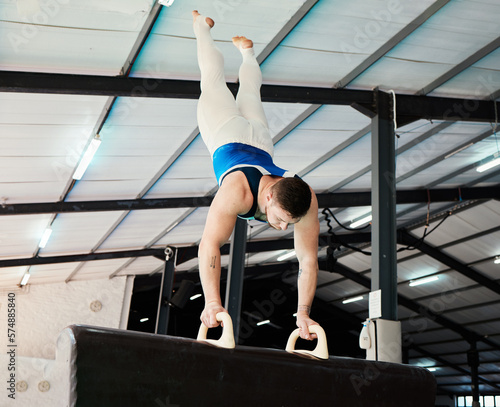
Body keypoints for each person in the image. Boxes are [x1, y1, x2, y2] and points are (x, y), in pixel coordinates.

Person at [193, 10, 320, 341]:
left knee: (250, 91)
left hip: (260, 139)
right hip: (225, 132)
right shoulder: (237, 192)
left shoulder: (303, 198)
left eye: (286, 223)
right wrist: (212, 302)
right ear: (268, 196)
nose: (280, 227)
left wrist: (303, 314)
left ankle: (248, 53)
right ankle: (201, 28)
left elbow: (308, 260)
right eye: (279, 219)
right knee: (211, 79)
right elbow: (209, 245)